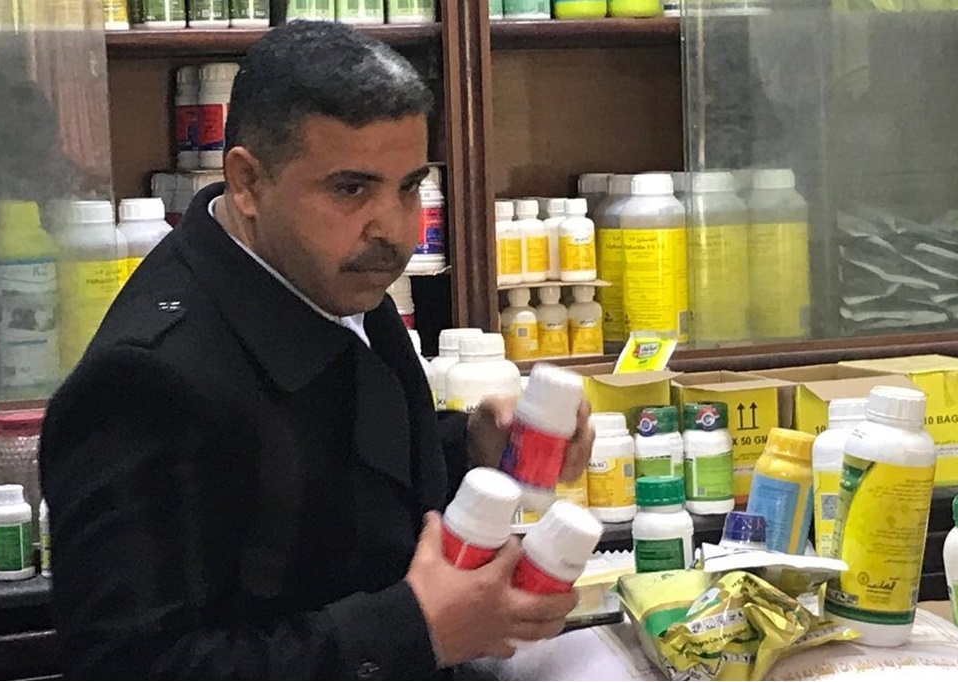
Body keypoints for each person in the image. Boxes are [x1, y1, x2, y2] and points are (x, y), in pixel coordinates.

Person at [39, 21, 594, 680]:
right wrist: (414, 630)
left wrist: (470, 444)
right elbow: (128, 667)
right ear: (247, 182)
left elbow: (331, 472)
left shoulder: (331, 270)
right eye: (350, 189)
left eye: (409, 186)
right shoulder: (146, 381)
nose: (395, 230)